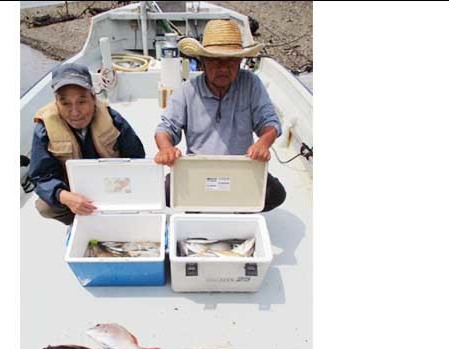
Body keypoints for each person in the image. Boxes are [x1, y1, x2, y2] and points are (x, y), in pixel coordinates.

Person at [154, 20, 286, 211]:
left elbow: (270, 123)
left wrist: (263, 143)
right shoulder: (187, 90)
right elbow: (165, 129)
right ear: (203, 62)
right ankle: (211, 206)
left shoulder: (251, 83)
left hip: (242, 169)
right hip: (199, 171)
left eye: (231, 61)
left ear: (240, 62)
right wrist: (166, 148)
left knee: (277, 194)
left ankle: (234, 208)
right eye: (215, 60)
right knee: (163, 192)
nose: (223, 67)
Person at [28, 63, 146, 225]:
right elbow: (41, 176)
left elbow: (137, 157)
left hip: (113, 185)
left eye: (81, 102)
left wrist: (122, 187)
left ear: (93, 97)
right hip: (74, 190)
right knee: (45, 207)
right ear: (56, 103)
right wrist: (64, 196)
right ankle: (78, 223)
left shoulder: (112, 119)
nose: (75, 112)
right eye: (66, 103)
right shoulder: (44, 129)